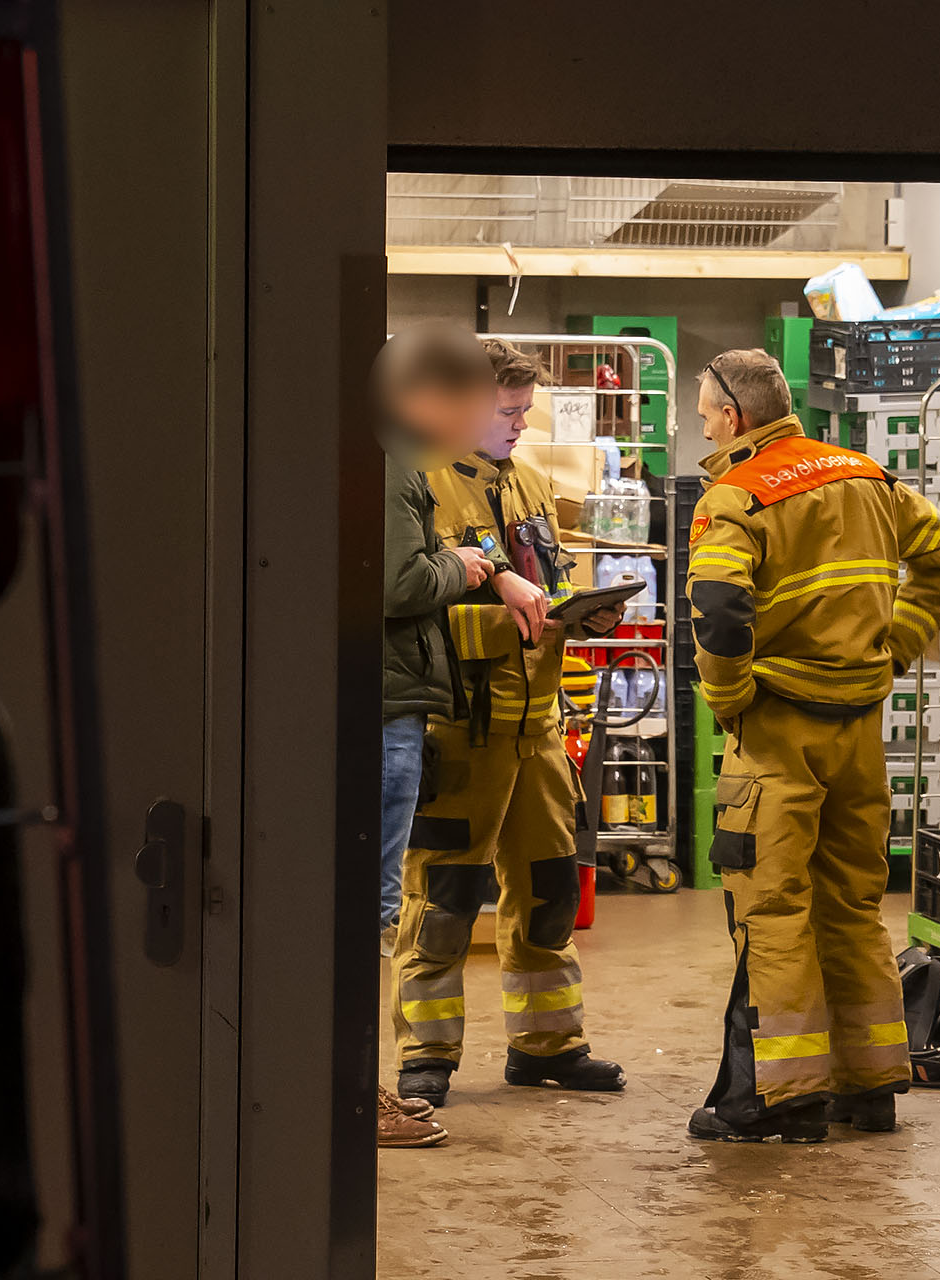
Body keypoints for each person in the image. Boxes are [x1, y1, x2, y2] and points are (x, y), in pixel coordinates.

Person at [684, 348, 940, 1142]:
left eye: (705, 414)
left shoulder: (735, 494)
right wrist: (898, 648)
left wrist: (729, 694)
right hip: (858, 732)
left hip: (778, 729)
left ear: (734, 416)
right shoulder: (865, 475)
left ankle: (777, 1099)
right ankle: (870, 1085)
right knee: (851, 905)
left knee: (771, 909)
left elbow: (718, 605)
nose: (701, 427)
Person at [390, 336, 627, 1108]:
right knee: (444, 904)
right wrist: (514, 626)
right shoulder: (418, 485)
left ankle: (548, 1046)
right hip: (461, 732)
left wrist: (576, 618)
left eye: (527, 410)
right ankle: (426, 1056)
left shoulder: (525, 483)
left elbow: (547, 585)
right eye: (510, 410)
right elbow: (410, 618)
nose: (523, 424)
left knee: (551, 892)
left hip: (540, 731)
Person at [375, 321, 500, 1148]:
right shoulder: (390, 464)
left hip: (388, 702)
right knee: (373, 906)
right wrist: (466, 569)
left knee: (370, 903)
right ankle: (354, 1094)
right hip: (384, 710)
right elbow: (395, 582)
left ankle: (352, 1089)